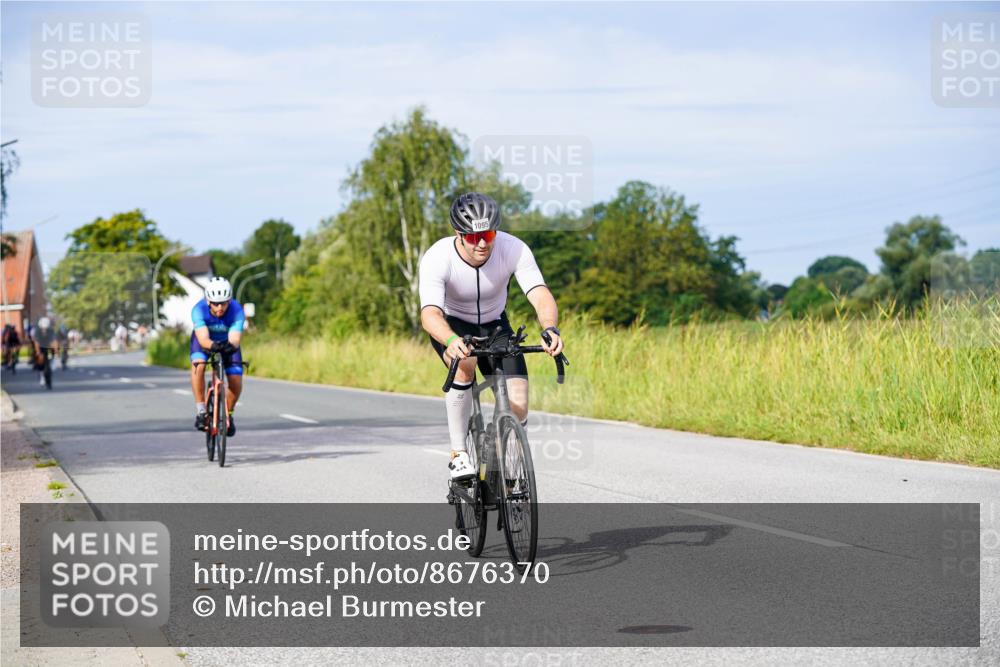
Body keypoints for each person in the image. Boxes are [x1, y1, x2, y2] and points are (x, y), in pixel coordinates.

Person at [418, 192, 564, 481]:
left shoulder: (513, 249)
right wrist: (450, 341)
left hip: (496, 326)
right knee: (465, 364)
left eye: (488, 234)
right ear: (458, 234)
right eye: (473, 237)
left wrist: (550, 328)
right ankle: (459, 454)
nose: (483, 243)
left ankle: (503, 455)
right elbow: (430, 314)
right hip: (454, 328)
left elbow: (540, 293)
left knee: (519, 403)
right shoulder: (438, 256)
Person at [189, 276, 245, 436]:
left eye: (224, 303)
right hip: (204, 342)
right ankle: (201, 411)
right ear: (208, 301)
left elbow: (235, 339)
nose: (220, 307)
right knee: (198, 366)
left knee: (235, 380)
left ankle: (229, 414)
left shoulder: (237, 310)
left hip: (228, 343)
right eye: (215, 303)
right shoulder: (198, 310)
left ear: (230, 300)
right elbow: (203, 339)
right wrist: (214, 346)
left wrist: (227, 347)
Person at [31, 317, 59, 387]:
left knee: (48, 366)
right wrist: (38, 353)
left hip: (47, 347)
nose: (44, 330)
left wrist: (56, 352)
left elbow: (54, 341)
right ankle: (41, 375)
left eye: (45, 328)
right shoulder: (37, 331)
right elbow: (36, 343)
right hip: (40, 348)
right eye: (43, 328)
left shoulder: (50, 330)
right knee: (40, 362)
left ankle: (49, 379)